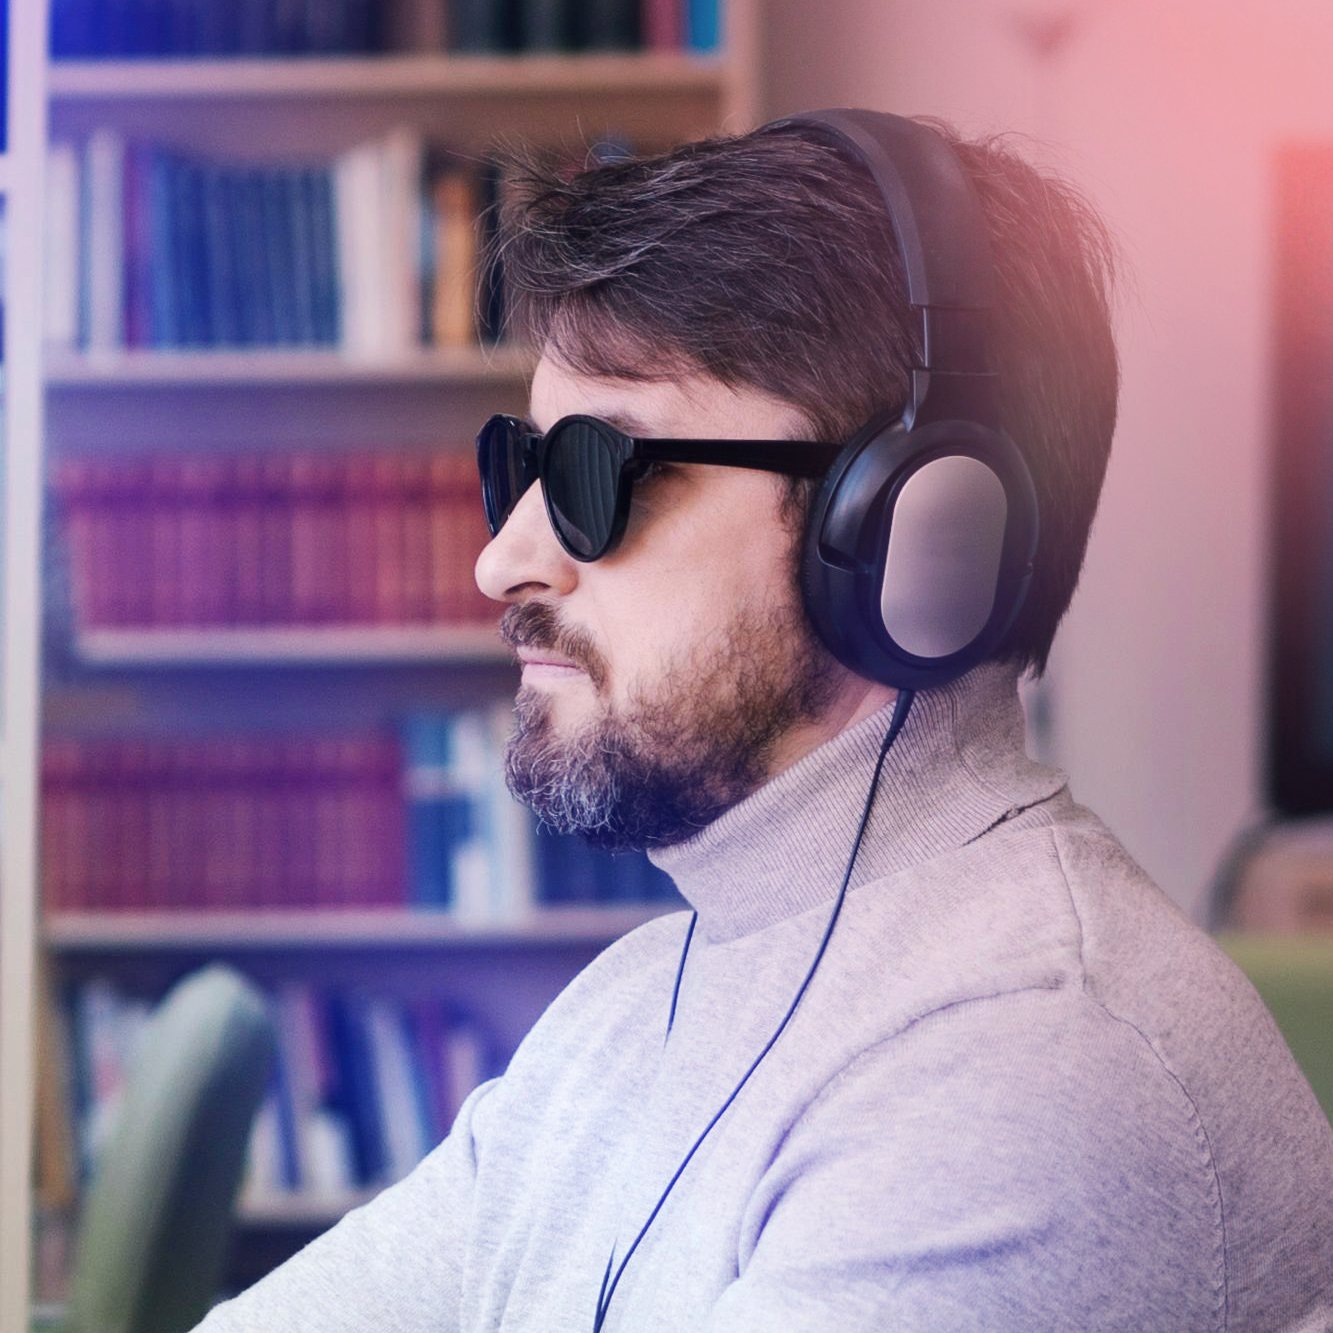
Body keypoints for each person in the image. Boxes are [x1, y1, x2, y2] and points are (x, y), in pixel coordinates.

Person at [195, 110, 1333, 1332]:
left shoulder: (1033, 1063)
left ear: (909, 531)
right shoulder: (637, 1003)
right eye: (517, 465)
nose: (502, 560)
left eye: (599, 470)